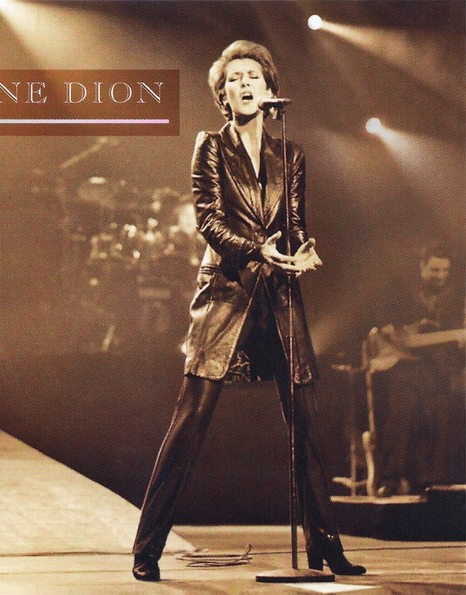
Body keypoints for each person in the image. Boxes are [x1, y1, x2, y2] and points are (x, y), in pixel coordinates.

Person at [132, 40, 366, 581]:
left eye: (252, 77)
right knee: (191, 419)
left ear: (270, 90)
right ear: (222, 95)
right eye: (233, 79)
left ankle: (324, 544)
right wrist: (257, 249)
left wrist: (302, 252)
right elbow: (208, 220)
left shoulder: (291, 154)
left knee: (306, 420)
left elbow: (295, 223)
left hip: (279, 294)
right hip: (227, 290)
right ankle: (147, 546)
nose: (243, 84)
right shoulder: (211, 147)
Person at [371, 242, 465, 496]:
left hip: (439, 371)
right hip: (405, 366)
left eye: (445, 270)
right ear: (422, 267)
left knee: (440, 418)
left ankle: (430, 483)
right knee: (401, 415)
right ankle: (390, 479)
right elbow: (385, 326)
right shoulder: (401, 293)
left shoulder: (455, 300)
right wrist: (396, 334)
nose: (440, 276)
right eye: (435, 270)